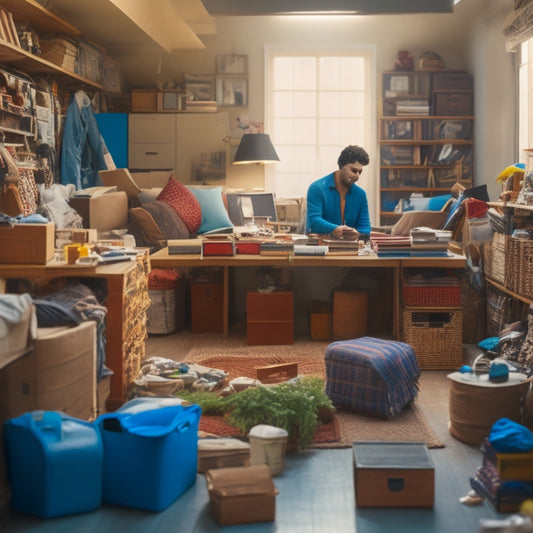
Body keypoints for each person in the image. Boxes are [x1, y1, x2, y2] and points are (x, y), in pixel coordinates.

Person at [306, 145, 371, 239]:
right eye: (353, 170)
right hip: (321, 247)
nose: (357, 176)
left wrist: (358, 235)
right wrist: (335, 229)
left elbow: (365, 227)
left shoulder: (361, 194)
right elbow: (314, 221)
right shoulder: (317, 188)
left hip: (350, 248)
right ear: (341, 165)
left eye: (360, 172)